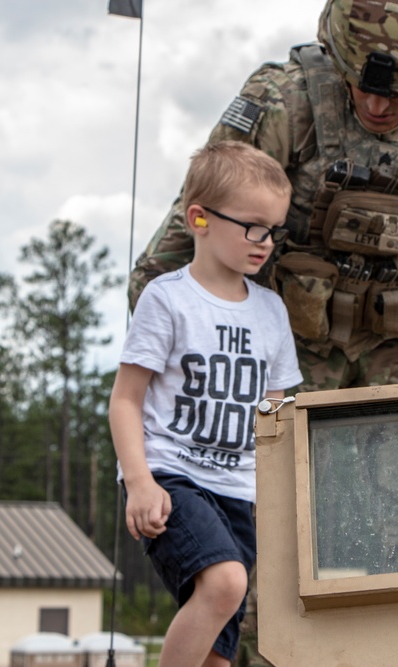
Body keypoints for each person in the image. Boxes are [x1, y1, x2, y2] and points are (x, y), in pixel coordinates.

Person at [129, 1, 398, 663]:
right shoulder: (284, 103)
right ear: (334, 56)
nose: (377, 104)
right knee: (259, 552)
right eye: (361, 83)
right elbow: (170, 261)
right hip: (281, 345)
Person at [109, 141, 303, 667]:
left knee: (220, 648)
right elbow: (126, 400)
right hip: (173, 477)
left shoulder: (271, 312)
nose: (265, 242)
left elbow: (274, 419)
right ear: (199, 218)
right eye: (252, 226)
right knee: (225, 582)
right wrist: (140, 481)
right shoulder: (167, 299)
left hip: (240, 492)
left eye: (274, 230)